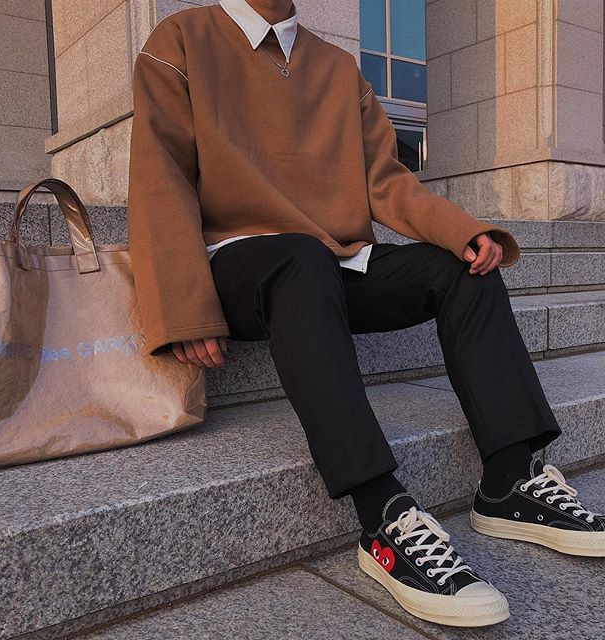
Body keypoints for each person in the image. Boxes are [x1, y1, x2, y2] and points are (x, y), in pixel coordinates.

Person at [127, 0, 605, 628]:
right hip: (239, 264)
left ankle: (511, 480)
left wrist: (462, 232)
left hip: (329, 265)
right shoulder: (183, 38)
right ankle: (383, 516)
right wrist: (182, 305)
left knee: (465, 270)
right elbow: (159, 174)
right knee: (299, 259)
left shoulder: (335, 66)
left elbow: (385, 180)